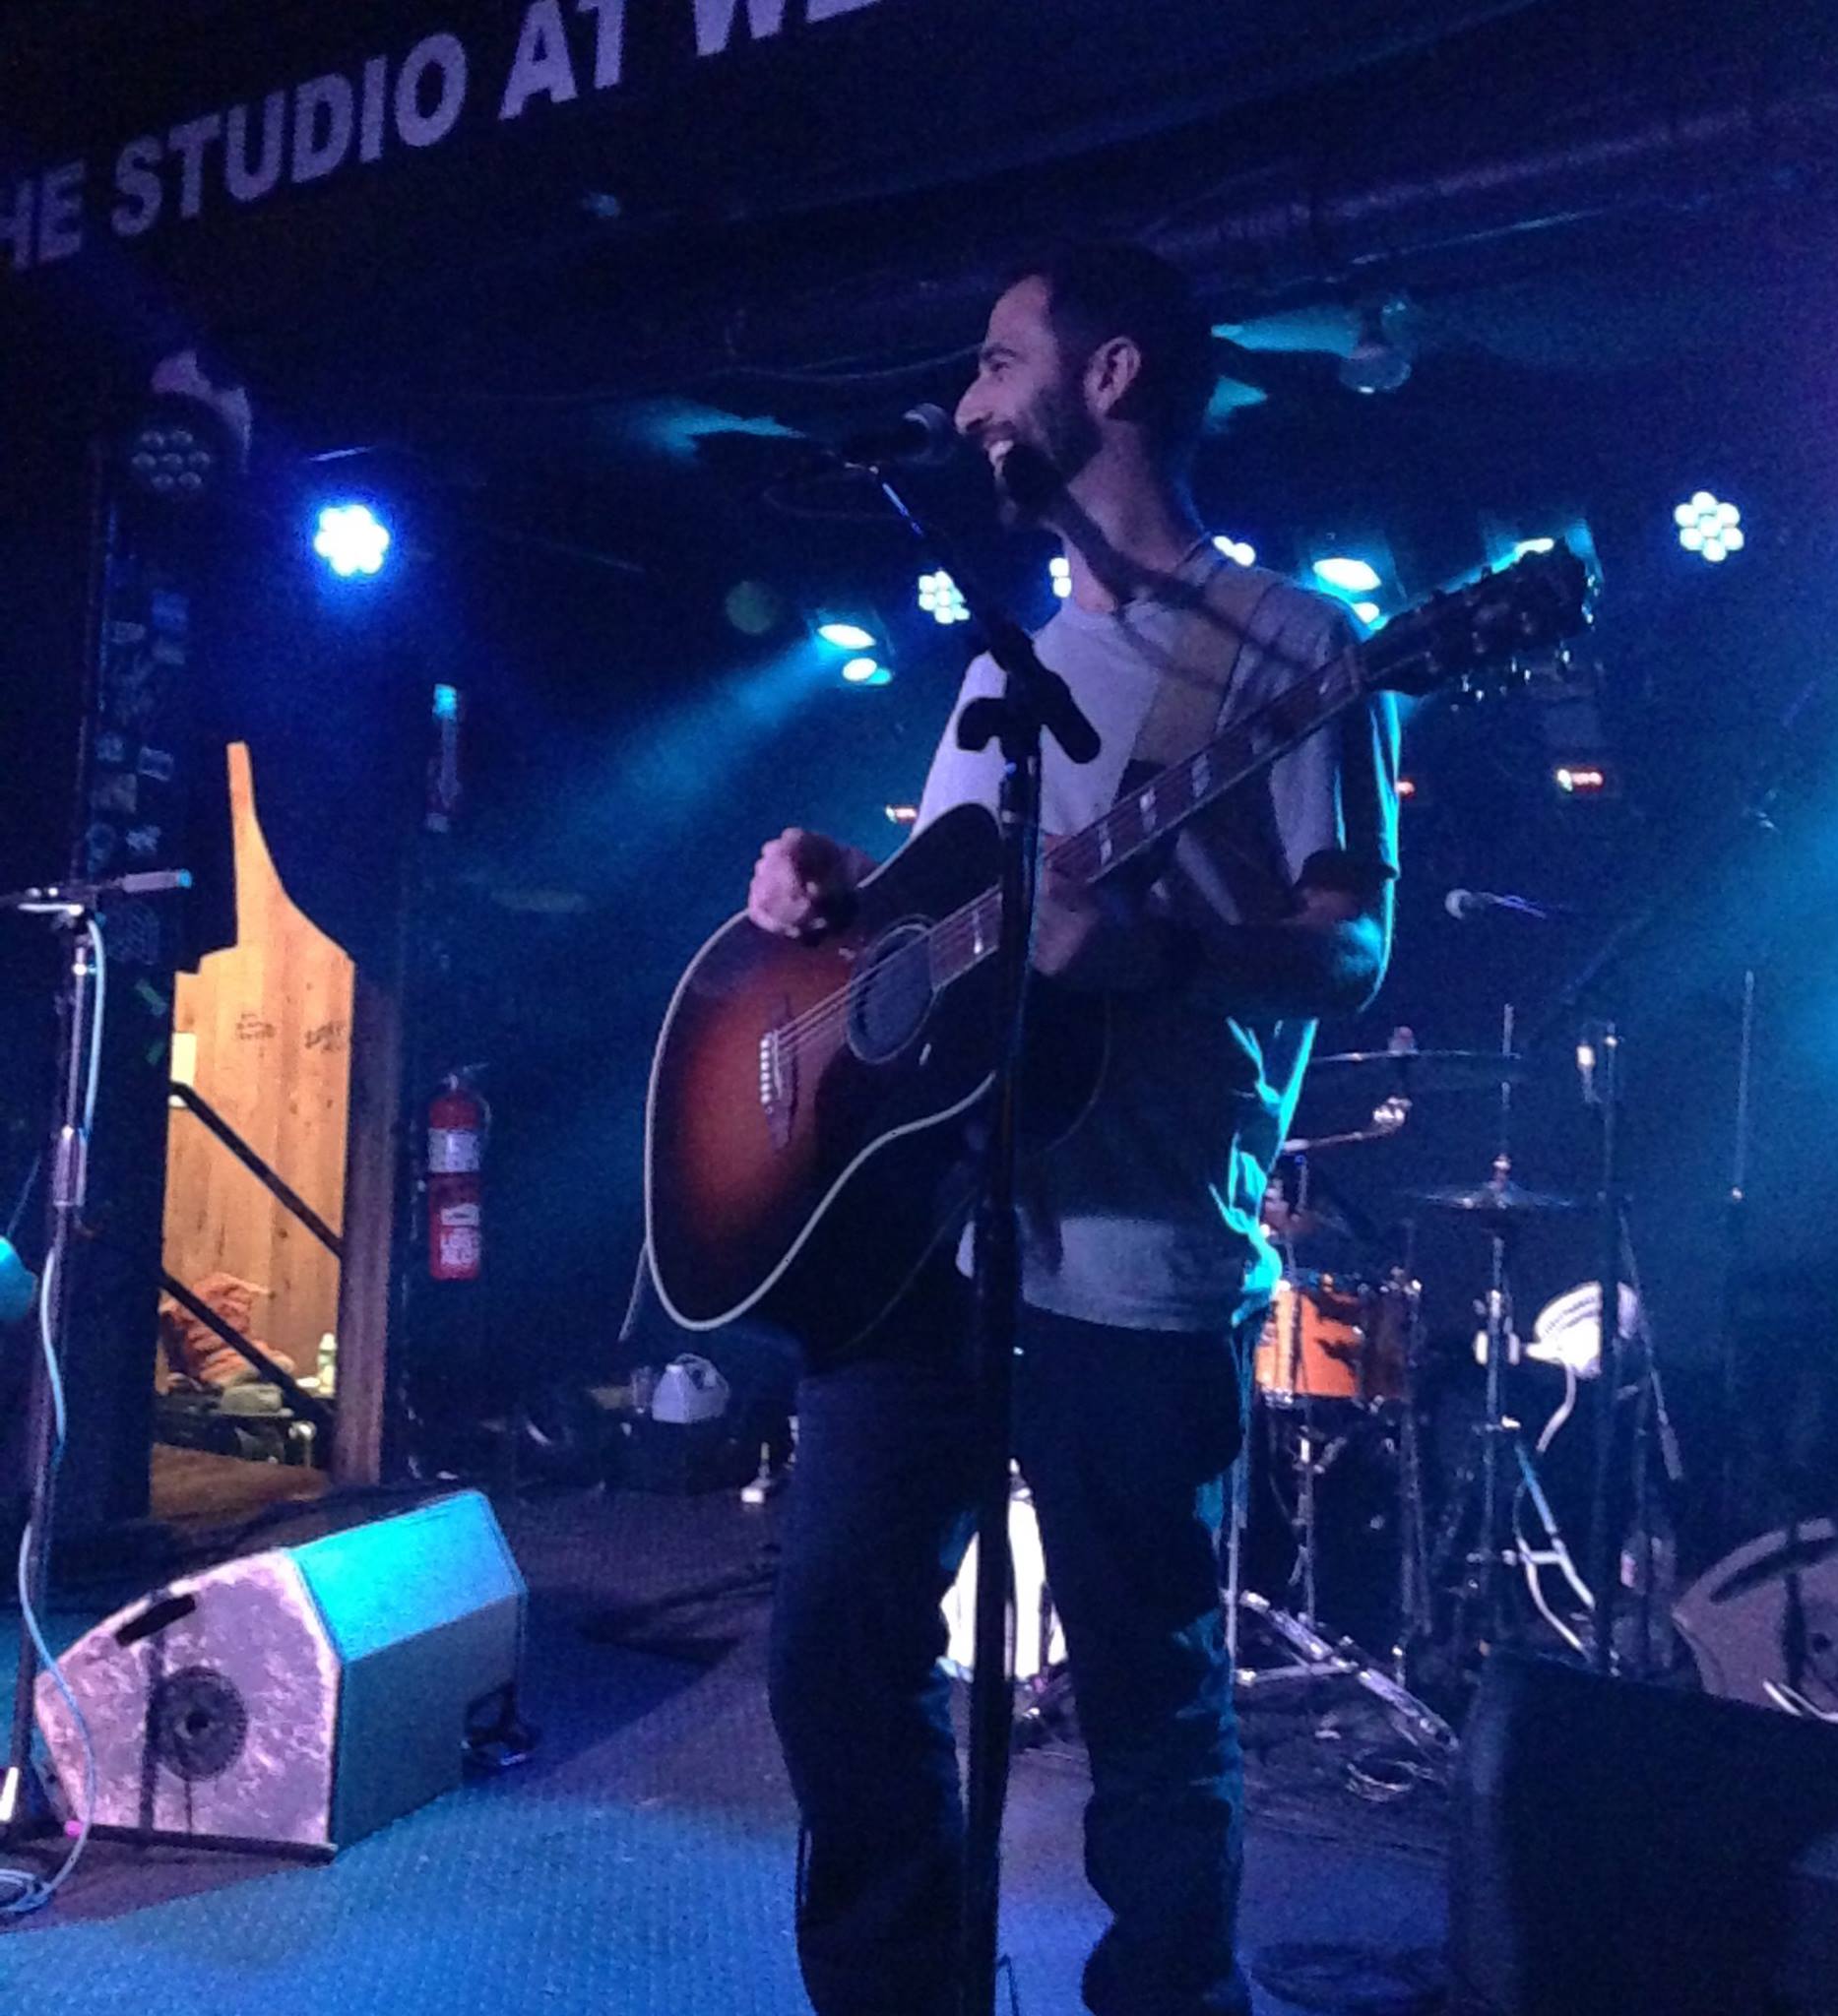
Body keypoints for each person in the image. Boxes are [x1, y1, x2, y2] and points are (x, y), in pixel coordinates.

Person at [750, 243, 1401, 2016]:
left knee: (1147, 1706)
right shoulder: (1009, 663)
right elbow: (943, 937)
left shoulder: (1296, 643)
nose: (965, 400)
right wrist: (837, 894)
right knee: (835, 1649)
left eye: (993, 359)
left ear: (1109, 377)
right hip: (932, 1244)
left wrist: (1151, 951)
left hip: (1139, 1252)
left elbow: (1352, 952)